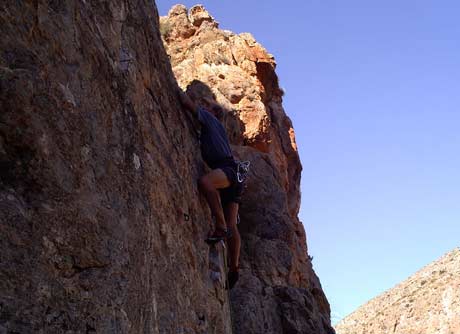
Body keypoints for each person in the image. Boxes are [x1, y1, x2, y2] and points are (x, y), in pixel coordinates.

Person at [179, 84, 243, 289]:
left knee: (206, 183)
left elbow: (187, 104)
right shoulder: (217, 128)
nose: (202, 108)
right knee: (234, 224)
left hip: (226, 170)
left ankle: (220, 227)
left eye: (206, 106)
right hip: (235, 174)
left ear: (214, 112)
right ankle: (234, 267)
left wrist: (173, 85)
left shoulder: (210, 119)